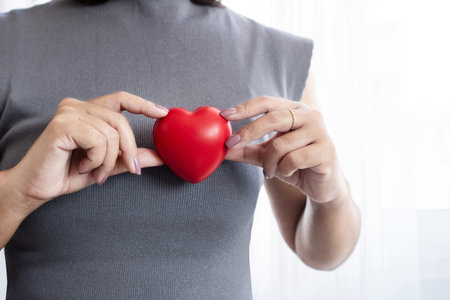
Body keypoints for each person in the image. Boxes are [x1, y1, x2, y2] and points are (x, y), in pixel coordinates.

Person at [0, 0, 361, 298]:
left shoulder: (278, 55)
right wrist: (18, 193)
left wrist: (331, 195)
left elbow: (322, 254)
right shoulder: (8, 41)